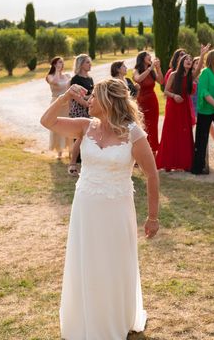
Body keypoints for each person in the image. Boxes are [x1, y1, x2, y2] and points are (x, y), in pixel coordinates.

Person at [40, 78, 160, 339]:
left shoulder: (133, 133)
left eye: (94, 96)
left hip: (117, 210)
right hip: (86, 207)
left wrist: (152, 217)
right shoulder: (85, 126)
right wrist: (64, 98)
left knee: (113, 263)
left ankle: (113, 319)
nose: (89, 101)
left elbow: (151, 175)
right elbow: (47, 122)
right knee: (87, 261)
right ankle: (85, 317)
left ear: (107, 101)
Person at [156, 54, 197, 172]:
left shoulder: (190, 76)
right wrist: (174, 96)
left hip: (184, 107)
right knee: (171, 133)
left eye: (190, 60)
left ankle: (185, 163)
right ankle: (168, 163)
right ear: (182, 62)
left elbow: (198, 69)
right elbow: (165, 91)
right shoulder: (174, 75)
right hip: (174, 107)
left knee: (184, 134)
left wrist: (203, 54)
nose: (189, 61)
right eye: (187, 59)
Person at [68, 54, 94, 175]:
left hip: (89, 109)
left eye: (90, 62)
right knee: (79, 136)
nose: (90, 64)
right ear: (81, 64)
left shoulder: (90, 79)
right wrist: (87, 100)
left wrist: (88, 99)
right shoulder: (75, 79)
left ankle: (85, 159)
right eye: (87, 62)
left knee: (88, 135)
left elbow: (90, 95)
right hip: (79, 110)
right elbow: (78, 98)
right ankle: (74, 162)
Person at [133, 51, 164, 155]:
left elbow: (161, 81)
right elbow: (138, 79)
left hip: (152, 100)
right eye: (148, 56)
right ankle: (143, 151)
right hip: (141, 101)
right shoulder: (136, 71)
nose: (150, 58)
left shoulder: (151, 72)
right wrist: (150, 69)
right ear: (142, 58)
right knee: (143, 126)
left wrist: (158, 69)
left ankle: (153, 151)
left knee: (153, 126)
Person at [46, 56, 72, 160]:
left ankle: (71, 150)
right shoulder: (50, 76)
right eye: (59, 62)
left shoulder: (67, 75)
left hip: (67, 104)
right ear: (54, 64)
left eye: (62, 62)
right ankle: (59, 151)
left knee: (69, 125)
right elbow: (55, 83)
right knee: (57, 125)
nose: (62, 64)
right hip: (56, 103)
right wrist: (56, 70)